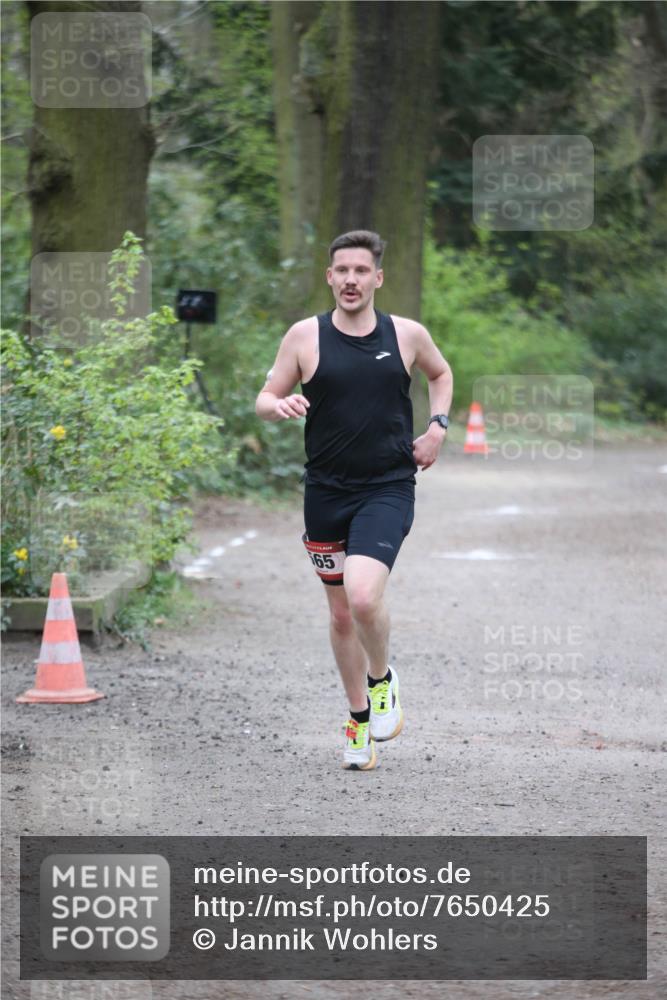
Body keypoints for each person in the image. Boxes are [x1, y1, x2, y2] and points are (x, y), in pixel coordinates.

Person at [255, 230, 453, 770]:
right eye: (341, 270)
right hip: (325, 491)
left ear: (377, 278)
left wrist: (437, 426)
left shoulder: (407, 335)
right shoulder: (305, 337)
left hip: (387, 485)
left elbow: (441, 374)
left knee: (363, 597)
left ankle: (382, 678)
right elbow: (264, 398)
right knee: (341, 615)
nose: (350, 279)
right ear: (329, 277)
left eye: (360, 271)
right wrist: (280, 406)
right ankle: (358, 719)